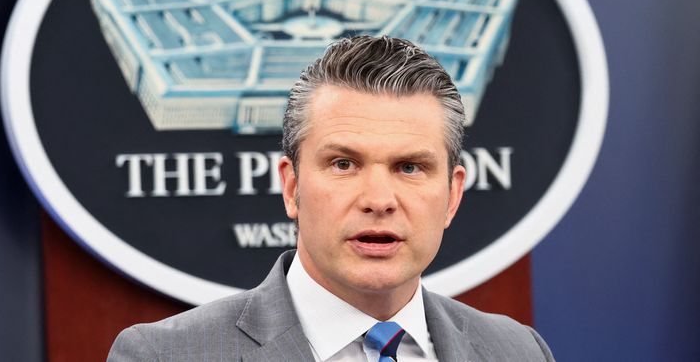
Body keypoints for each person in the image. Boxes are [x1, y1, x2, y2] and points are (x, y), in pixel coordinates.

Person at [108, 35, 554, 361]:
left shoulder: (518, 351)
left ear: (453, 195)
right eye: (344, 164)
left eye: (409, 167)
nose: (379, 199)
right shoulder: (164, 355)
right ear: (292, 186)